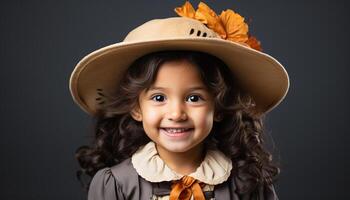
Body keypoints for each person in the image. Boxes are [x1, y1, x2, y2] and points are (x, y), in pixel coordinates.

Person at [69, 1, 290, 200]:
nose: (176, 114)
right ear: (136, 108)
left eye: (194, 98)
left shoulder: (247, 183)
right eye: (159, 97)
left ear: (219, 106)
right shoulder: (116, 185)